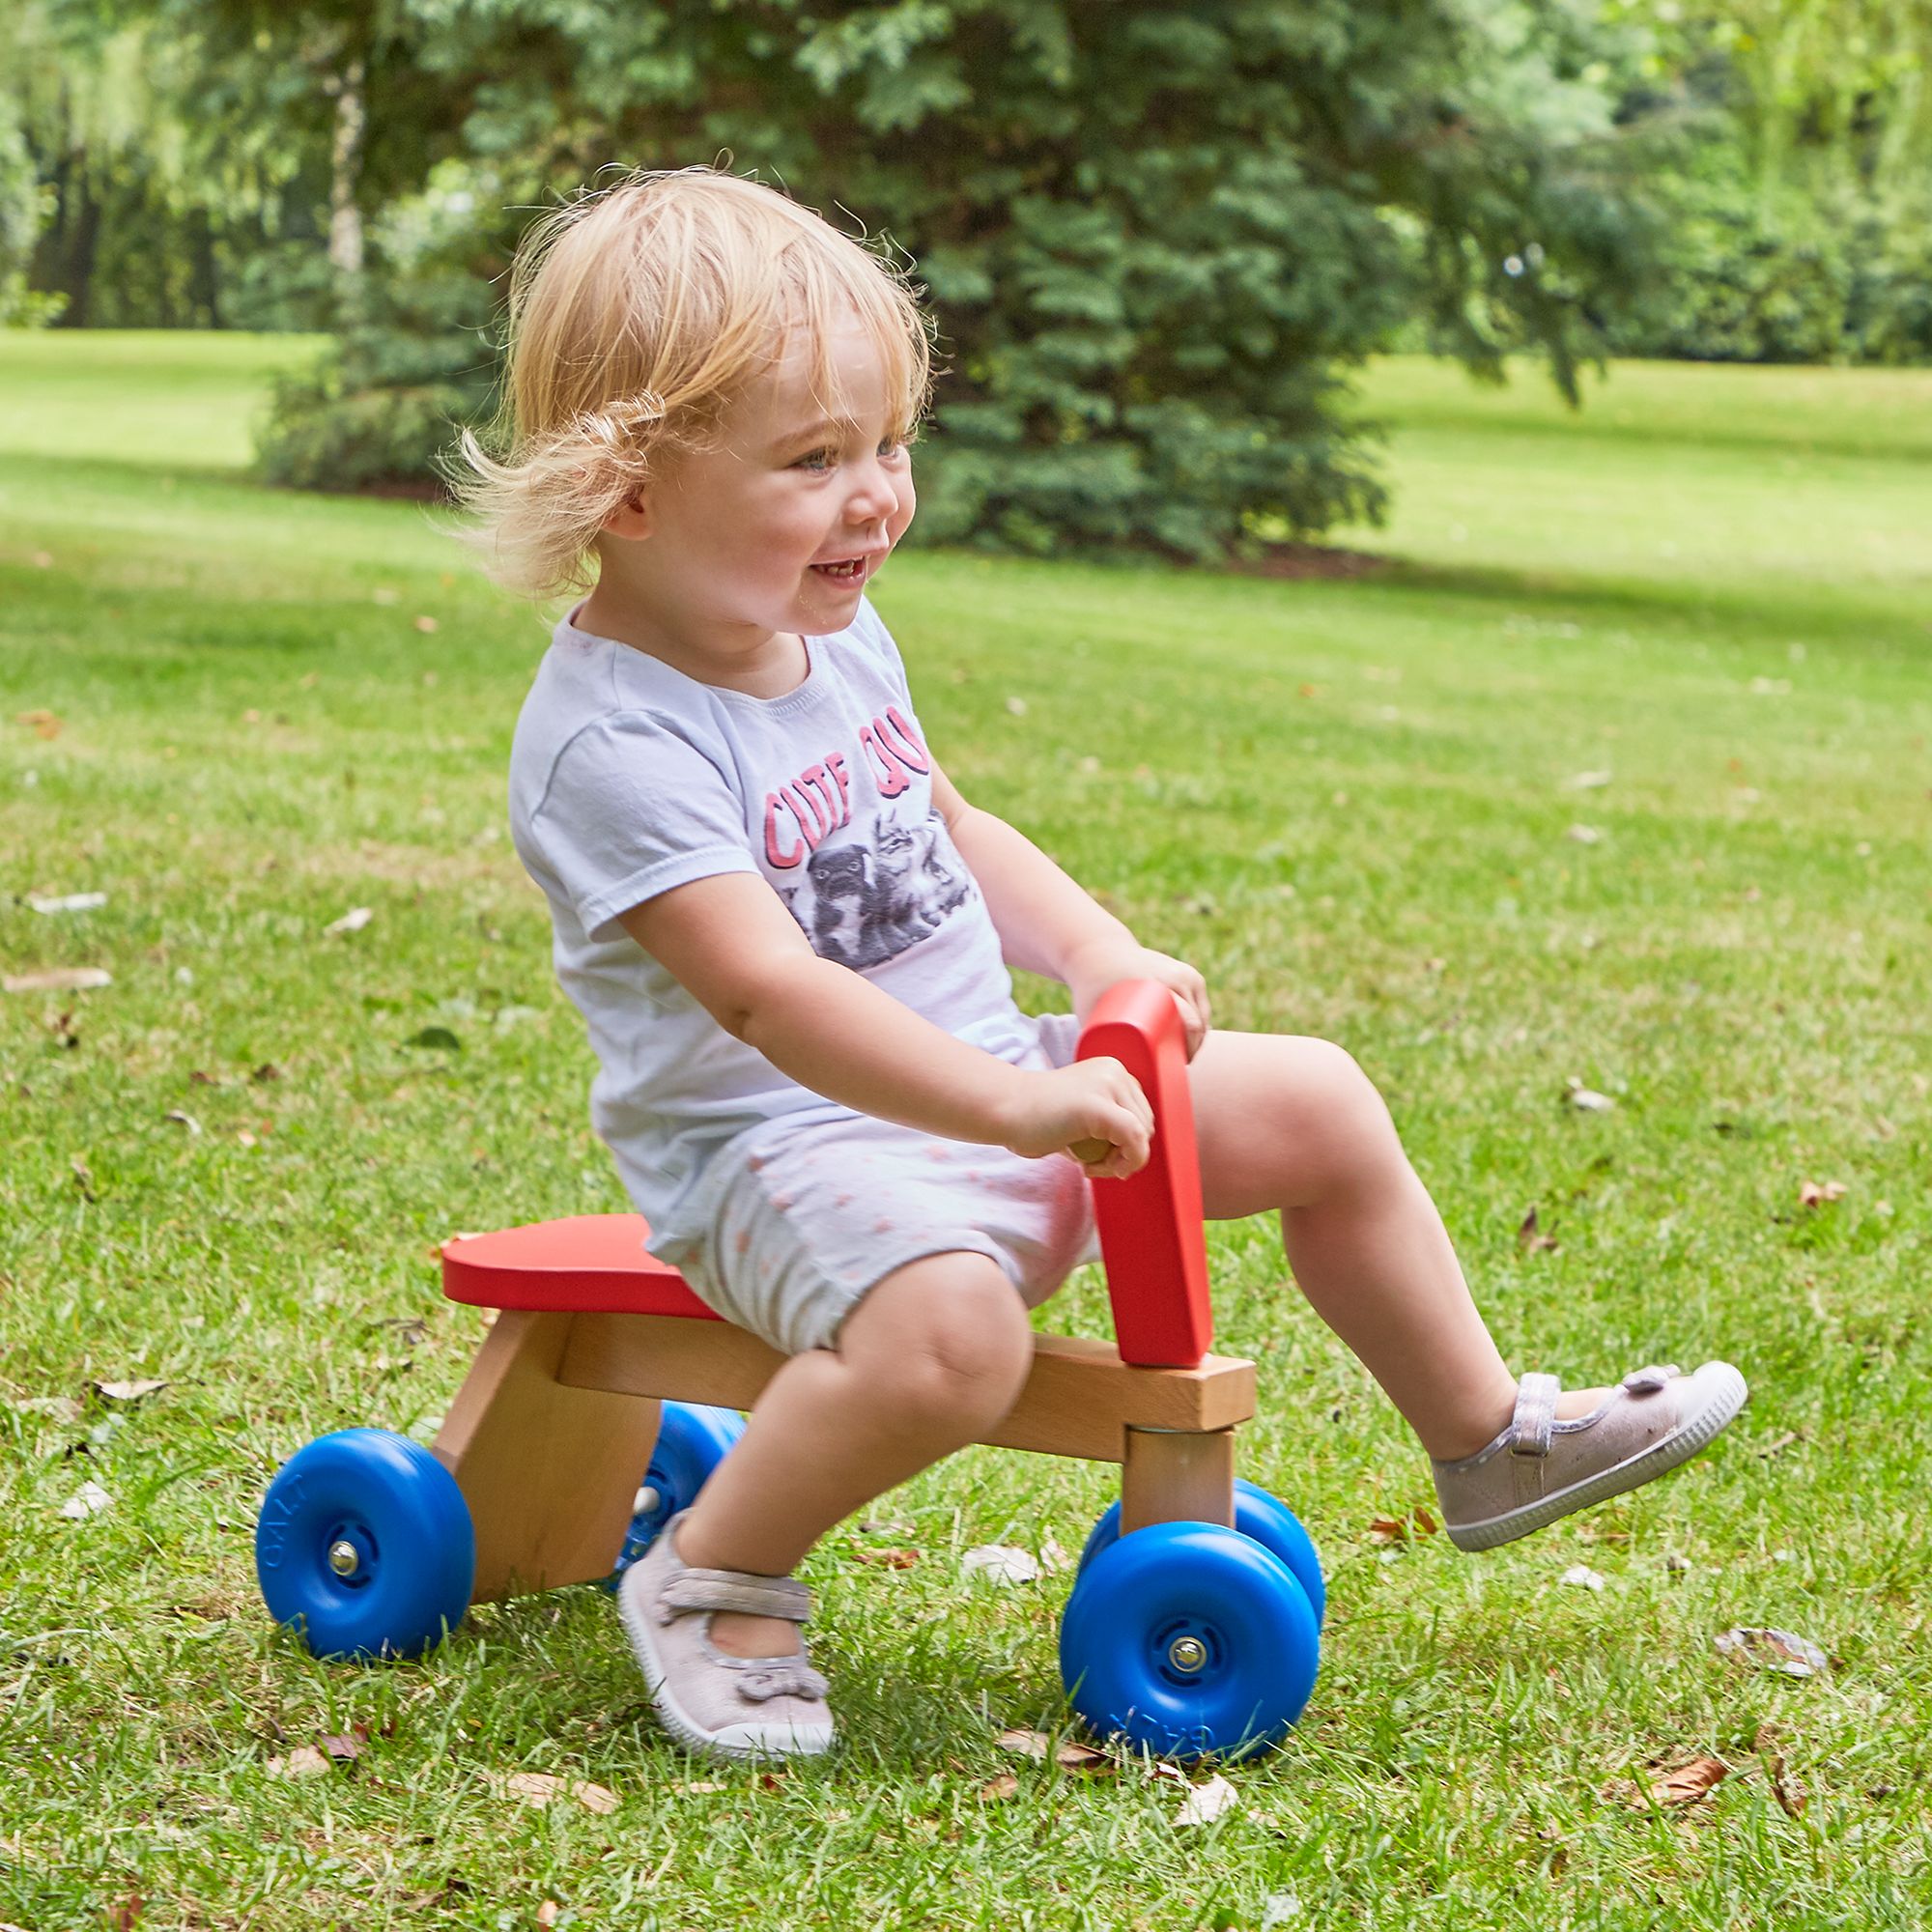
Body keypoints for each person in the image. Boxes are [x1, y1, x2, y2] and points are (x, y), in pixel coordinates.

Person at [451, 165, 1747, 1764]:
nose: (877, 498)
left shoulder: (835, 638)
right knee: (954, 1346)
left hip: (997, 1091)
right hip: (783, 1155)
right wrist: (1011, 1106)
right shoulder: (615, 742)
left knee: (1322, 1103)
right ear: (627, 495)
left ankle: (1487, 1439)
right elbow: (766, 997)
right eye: (814, 461)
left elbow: (942, 823)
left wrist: (1094, 950)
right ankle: (716, 1571)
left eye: (890, 446)